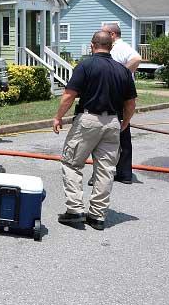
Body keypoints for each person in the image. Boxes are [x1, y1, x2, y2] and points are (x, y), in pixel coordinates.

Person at [54, 31, 137, 231]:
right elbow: (131, 103)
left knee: (72, 163)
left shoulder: (86, 65)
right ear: (111, 47)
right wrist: (125, 121)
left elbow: (69, 95)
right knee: (105, 170)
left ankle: (75, 211)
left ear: (93, 45)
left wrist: (58, 117)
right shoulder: (122, 71)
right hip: (113, 123)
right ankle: (97, 216)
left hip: (88, 120)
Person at [101, 22, 141, 184]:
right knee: (119, 133)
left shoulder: (120, 46)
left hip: (117, 95)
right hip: (119, 93)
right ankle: (123, 173)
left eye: (103, 33)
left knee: (109, 133)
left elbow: (137, 58)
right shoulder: (113, 47)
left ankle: (113, 174)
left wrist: (121, 74)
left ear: (112, 34)